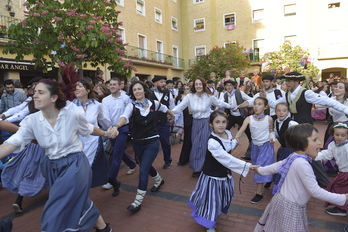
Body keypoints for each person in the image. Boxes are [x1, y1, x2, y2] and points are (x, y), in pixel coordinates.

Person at [0, 79, 115, 232]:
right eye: (35, 92)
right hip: (52, 167)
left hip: (75, 165)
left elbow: (89, 128)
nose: (35, 96)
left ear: (54, 97)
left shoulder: (71, 116)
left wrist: (106, 133)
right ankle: (103, 228)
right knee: (75, 199)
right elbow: (12, 143)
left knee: (54, 210)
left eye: (41, 92)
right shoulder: (31, 121)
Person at [252, 124, 348, 232]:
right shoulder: (303, 164)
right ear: (301, 143)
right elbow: (315, 191)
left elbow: (278, 165)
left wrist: (261, 170)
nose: (320, 143)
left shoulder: (295, 156)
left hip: (283, 203)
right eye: (315, 139)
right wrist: (343, 198)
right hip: (290, 209)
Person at [265, 71, 348, 187]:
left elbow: (328, 101)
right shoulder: (287, 94)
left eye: (288, 81)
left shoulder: (306, 93)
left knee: (311, 154)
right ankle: (282, 178)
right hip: (294, 129)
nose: (286, 83)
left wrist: (346, 110)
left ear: (296, 81)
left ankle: (325, 183)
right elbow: (276, 105)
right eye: (286, 81)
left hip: (305, 128)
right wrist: (265, 98)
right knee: (286, 151)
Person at [113, 81, 175, 213]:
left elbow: (166, 109)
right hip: (137, 142)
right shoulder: (131, 106)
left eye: (139, 89)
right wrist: (116, 126)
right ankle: (158, 180)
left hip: (152, 141)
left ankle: (138, 201)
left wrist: (172, 116)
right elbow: (124, 117)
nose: (137, 91)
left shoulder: (154, 104)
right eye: (134, 90)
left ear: (144, 90)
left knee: (143, 170)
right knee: (143, 165)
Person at [188, 110, 254, 232]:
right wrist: (247, 166)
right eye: (217, 122)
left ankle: (212, 216)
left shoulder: (227, 133)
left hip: (224, 174)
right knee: (211, 201)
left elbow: (228, 145)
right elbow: (225, 158)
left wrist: (234, 142)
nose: (221, 125)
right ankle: (209, 225)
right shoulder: (212, 142)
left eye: (224, 122)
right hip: (213, 176)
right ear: (211, 124)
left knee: (220, 198)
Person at [172, 77, 235, 177]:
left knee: (205, 146)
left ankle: (203, 167)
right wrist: (170, 112)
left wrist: (231, 106)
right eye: (196, 84)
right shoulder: (189, 97)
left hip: (206, 123)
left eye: (200, 84)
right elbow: (180, 107)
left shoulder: (208, 96)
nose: (198, 86)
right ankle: (197, 167)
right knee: (196, 145)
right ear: (193, 86)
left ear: (203, 85)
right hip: (195, 123)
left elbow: (219, 103)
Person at [235, 97, 275, 204]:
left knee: (259, 168)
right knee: (260, 167)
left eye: (260, 104)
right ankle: (269, 179)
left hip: (266, 146)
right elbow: (241, 130)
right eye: (255, 104)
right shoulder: (249, 119)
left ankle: (259, 193)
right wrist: (237, 137)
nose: (256, 106)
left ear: (265, 107)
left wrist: (272, 136)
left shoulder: (269, 119)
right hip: (255, 147)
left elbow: (271, 129)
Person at [101, 78, 137, 196]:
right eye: (110, 84)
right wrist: (110, 129)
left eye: (114, 84)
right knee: (119, 151)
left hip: (123, 129)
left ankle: (112, 179)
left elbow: (127, 114)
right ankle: (132, 164)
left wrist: (117, 127)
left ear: (120, 86)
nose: (112, 86)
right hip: (110, 129)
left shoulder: (126, 98)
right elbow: (105, 116)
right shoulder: (105, 100)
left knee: (116, 154)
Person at [315, 122, 348, 216]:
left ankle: (341, 209)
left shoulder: (346, 146)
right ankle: (341, 207)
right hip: (342, 172)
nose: (339, 137)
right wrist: (314, 156)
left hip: (346, 173)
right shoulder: (333, 145)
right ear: (333, 134)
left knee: (337, 187)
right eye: (337, 134)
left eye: (343, 135)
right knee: (338, 188)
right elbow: (327, 155)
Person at [271, 102, 298, 193]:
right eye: (278, 111)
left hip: (291, 151)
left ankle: (289, 189)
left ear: (288, 112)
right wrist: (272, 138)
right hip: (283, 149)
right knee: (281, 168)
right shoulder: (276, 122)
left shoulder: (291, 123)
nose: (281, 113)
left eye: (284, 110)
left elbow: (300, 134)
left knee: (288, 170)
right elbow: (275, 132)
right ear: (275, 112)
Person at [149, 76, 175, 169]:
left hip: (164, 123)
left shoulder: (168, 93)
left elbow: (172, 106)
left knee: (165, 143)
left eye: (164, 82)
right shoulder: (149, 94)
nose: (164, 84)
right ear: (155, 84)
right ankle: (149, 163)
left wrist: (172, 117)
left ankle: (168, 161)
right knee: (151, 145)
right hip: (152, 124)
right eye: (162, 82)